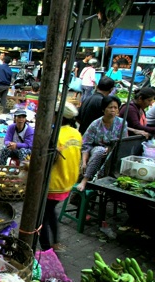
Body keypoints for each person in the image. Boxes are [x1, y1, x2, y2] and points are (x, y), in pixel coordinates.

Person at [40, 102, 82, 252]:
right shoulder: (76, 133)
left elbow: (49, 162)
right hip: (68, 182)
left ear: (59, 116)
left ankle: (46, 250)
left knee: (41, 219)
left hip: (54, 184)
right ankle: (56, 242)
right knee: (50, 211)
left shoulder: (55, 135)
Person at [77, 96, 128, 191]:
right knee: (99, 151)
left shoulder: (122, 123)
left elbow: (124, 142)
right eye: (110, 107)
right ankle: (85, 180)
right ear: (104, 109)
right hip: (97, 150)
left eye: (115, 108)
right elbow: (86, 144)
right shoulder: (95, 124)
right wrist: (84, 162)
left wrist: (111, 148)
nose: (113, 110)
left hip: (114, 153)